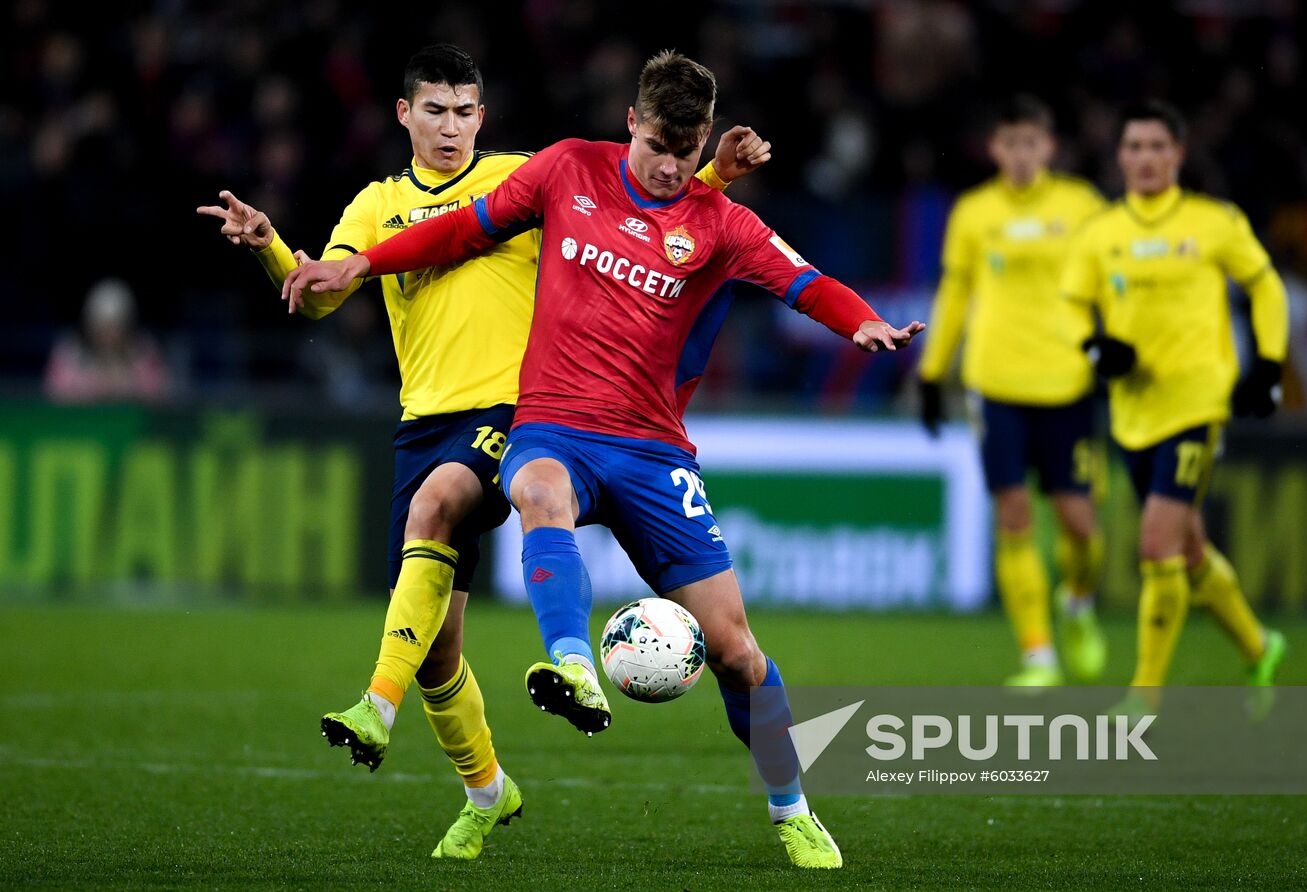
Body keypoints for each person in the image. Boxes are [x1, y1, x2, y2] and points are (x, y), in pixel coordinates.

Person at [282, 50, 923, 870]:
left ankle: (791, 805)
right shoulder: (566, 170)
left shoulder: (719, 223)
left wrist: (862, 321)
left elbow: (805, 280)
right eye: (656, 146)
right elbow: (464, 228)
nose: (666, 168)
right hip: (552, 426)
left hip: (654, 452)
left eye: (685, 157)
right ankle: (574, 665)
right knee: (537, 489)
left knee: (736, 650)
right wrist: (366, 260)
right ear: (632, 123)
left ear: (703, 151)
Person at [197, 44, 769, 860]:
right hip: (421, 421)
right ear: (405, 115)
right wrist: (269, 249)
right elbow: (324, 293)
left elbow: (644, 218)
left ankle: (374, 705)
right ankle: (488, 791)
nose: (451, 128)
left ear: (483, 117)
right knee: (439, 652)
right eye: (435, 110)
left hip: (518, 409)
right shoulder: (375, 205)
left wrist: (711, 177)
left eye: (466, 111)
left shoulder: (524, 177)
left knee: (435, 508)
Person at [1060, 100, 1289, 719]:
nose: (1145, 159)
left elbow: (1266, 285)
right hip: (1134, 410)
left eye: (1157, 147)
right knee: (1188, 551)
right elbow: (1073, 306)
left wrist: (1268, 366)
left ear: (1179, 155)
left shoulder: (1213, 222)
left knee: (1157, 543)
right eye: (1134, 148)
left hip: (1198, 403)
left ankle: (1145, 696)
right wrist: (1096, 346)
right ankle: (1260, 644)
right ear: (1120, 158)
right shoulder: (1101, 233)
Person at [916, 95, 1108, 688]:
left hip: (1067, 382)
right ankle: (1038, 655)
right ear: (994, 148)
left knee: (1080, 525)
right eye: (1010, 143)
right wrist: (931, 372)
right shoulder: (974, 212)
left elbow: (1113, 284)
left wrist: (1120, 345)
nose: (1021, 155)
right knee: (1014, 514)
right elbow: (954, 294)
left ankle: (1076, 600)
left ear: (1049, 147)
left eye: (1032, 143)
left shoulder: (1082, 206)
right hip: (995, 383)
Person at [44, 277, 171, 404]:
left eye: (116, 327)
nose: (109, 336)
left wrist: (123, 382)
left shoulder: (145, 354)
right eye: (102, 328)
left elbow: (159, 397)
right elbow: (54, 396)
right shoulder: (69, 353)